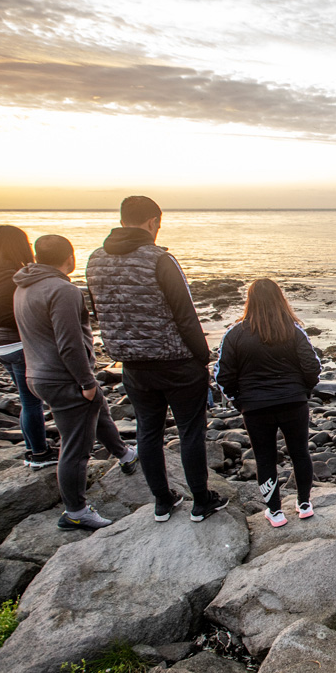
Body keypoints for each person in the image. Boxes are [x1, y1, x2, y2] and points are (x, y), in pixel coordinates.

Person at [87, 196, 227, 523]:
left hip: (132, 364)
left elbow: (98, 310)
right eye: (159, 224)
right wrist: (202, 358)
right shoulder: (159, 260)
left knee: (147, 431)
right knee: (191, 431)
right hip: (175, 362)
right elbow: (186, 316)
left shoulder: (95, 261)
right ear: (152, 221)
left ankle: (162, 501)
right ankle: (201, 500)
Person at [13, 235, 137, 531]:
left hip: (36, 373)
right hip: (62, 377)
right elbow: (69, 343)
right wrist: (85, 381)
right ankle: (75, 511)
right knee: (76, 447)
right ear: (69, 258)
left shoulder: (23, 286)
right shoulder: (63, 290)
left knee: (98, 407)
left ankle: (123, 452)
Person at [214, 278, 321, 528]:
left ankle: (274, 511)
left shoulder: (235, 333)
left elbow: (223, 375)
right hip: (293, 403)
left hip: (255, 407)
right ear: (279, 299)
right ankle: (304, 503)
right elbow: (313, 366)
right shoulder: (293, 330)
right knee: (300, 452)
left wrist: (238, 400)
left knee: (264, 458)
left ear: (249, 301)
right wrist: (302, 391)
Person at [0, 225, 54, 469]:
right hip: (16, 344)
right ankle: (39, 453)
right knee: (32, 402)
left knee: (26, 399)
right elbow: (4, 316)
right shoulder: (8, 273)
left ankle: (32, 450)